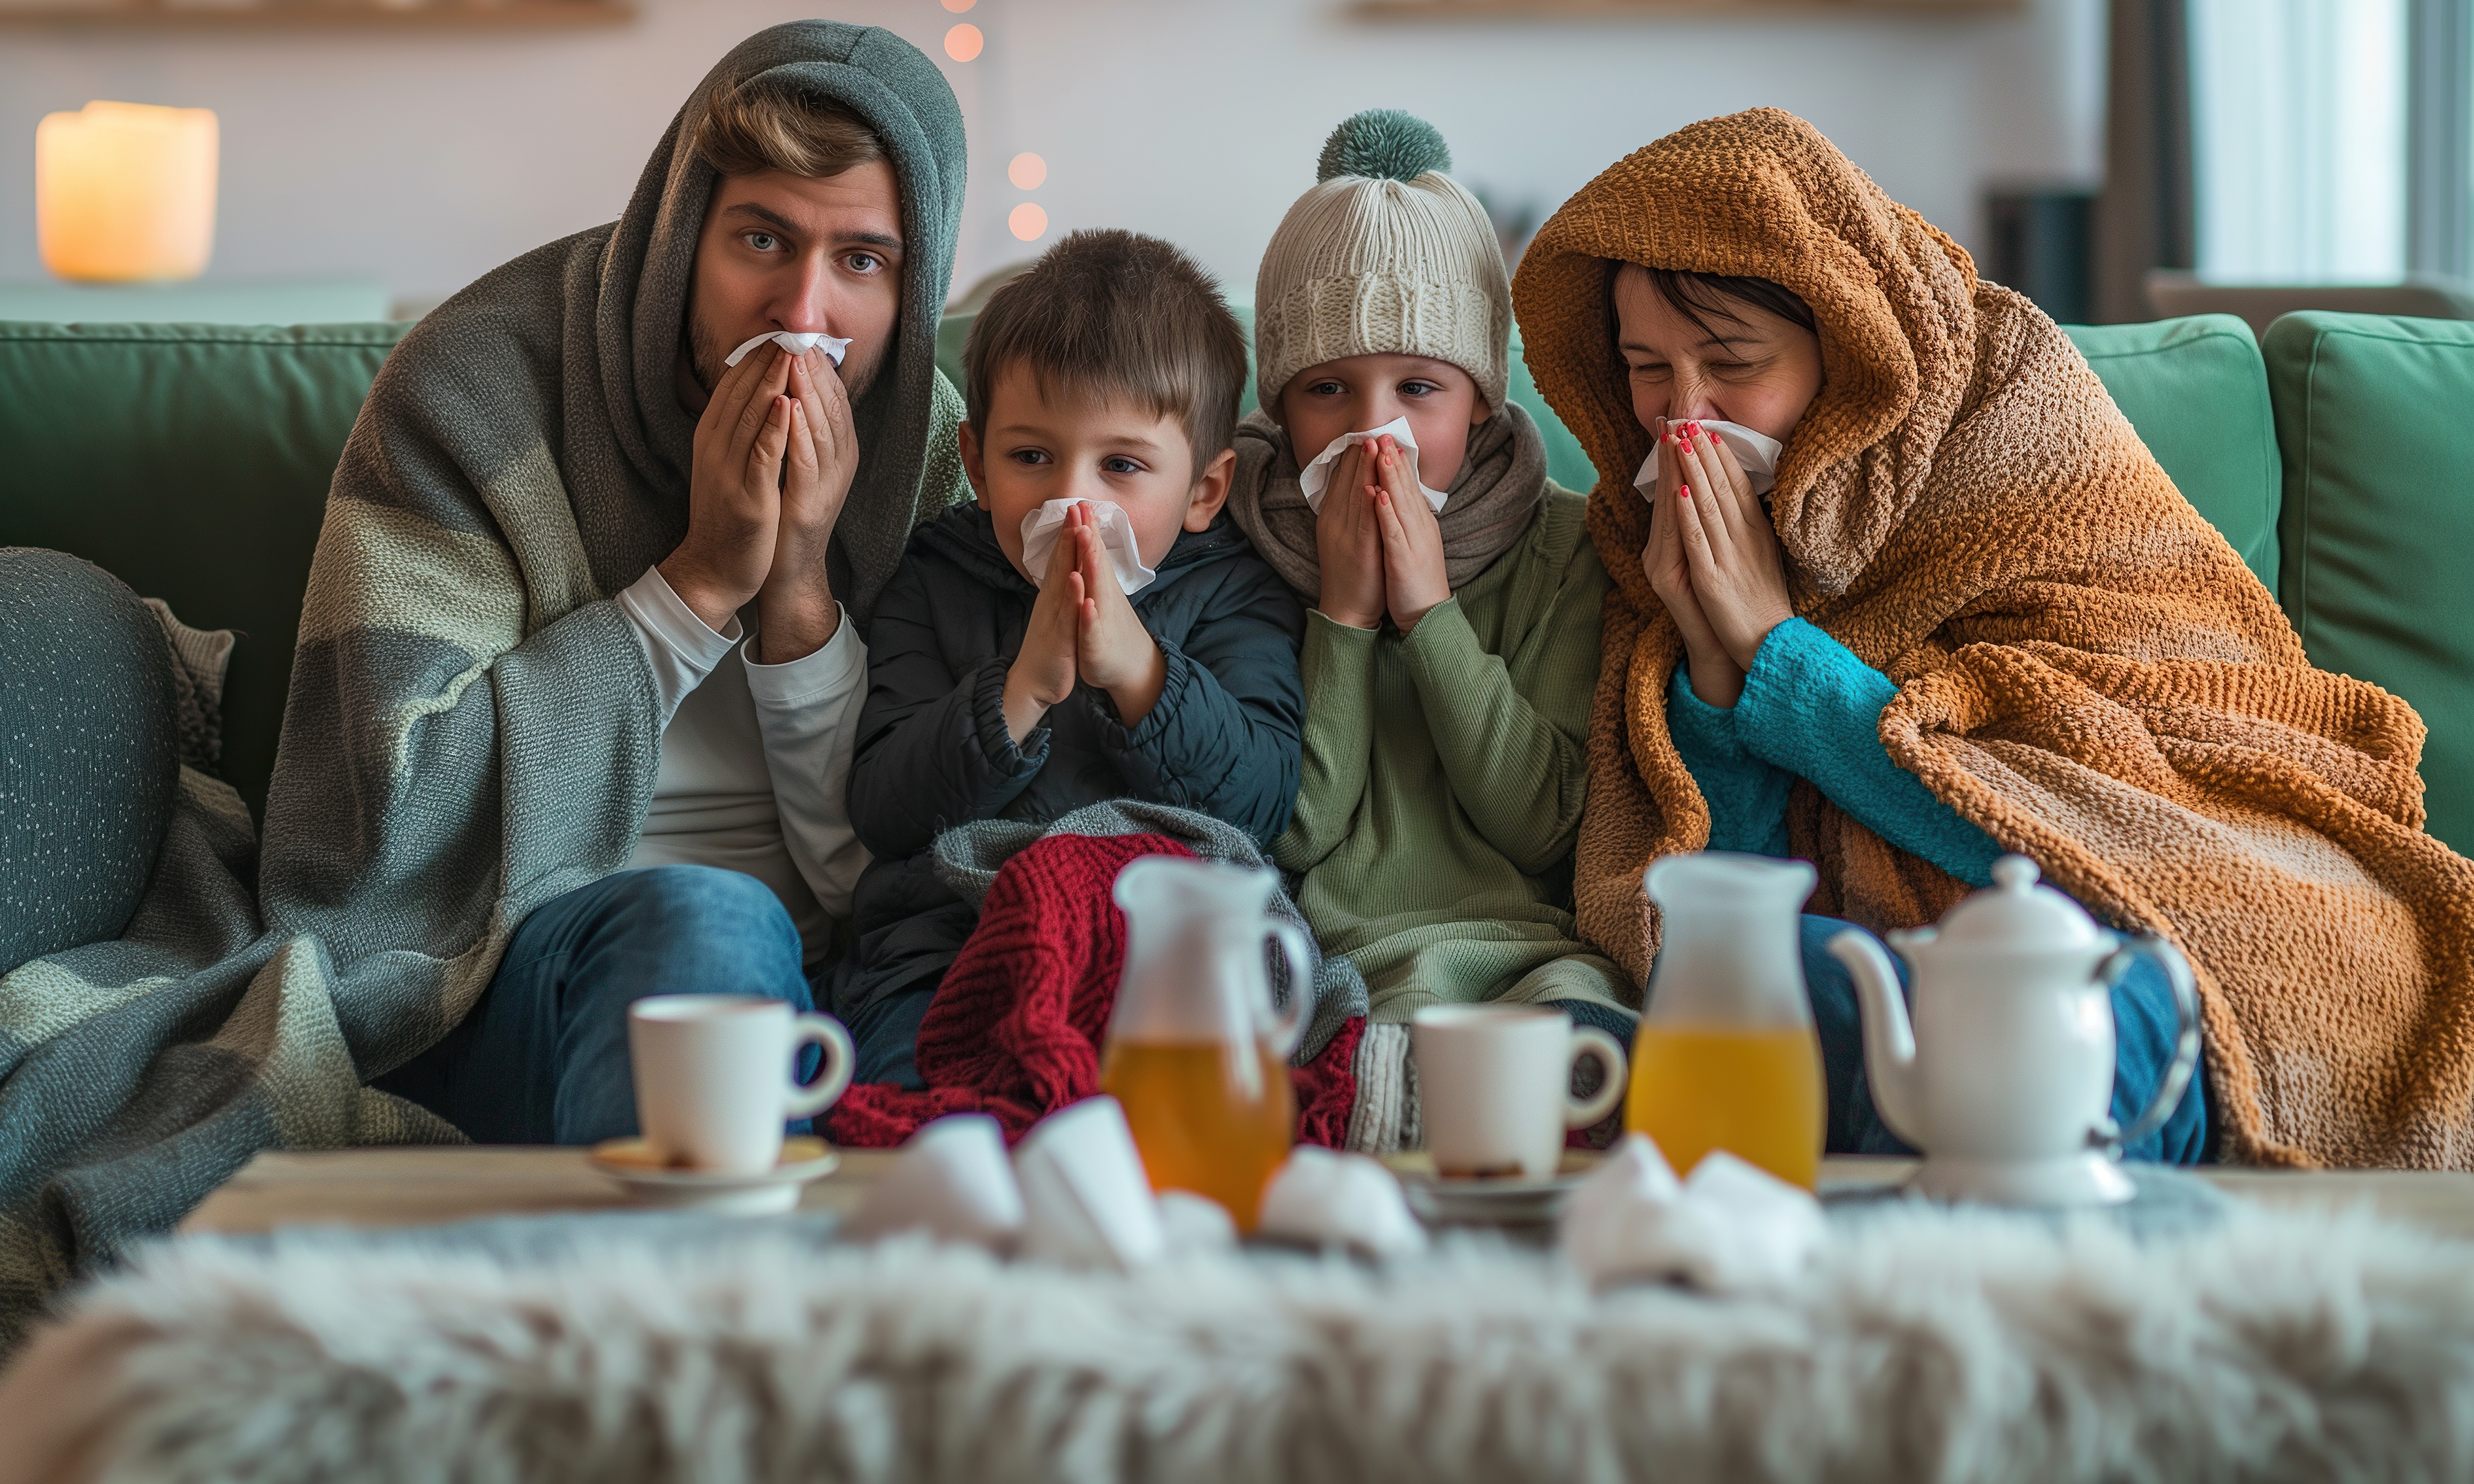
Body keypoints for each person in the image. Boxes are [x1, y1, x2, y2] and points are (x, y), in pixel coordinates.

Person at [1517, 105, 2474, 1169]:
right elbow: (1710, 894)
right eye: (1649, 368)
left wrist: (1780, 648)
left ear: (1849, 344)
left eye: (1731, 361)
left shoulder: (2006, 413)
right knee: (1753, 979)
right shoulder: (1642, 542)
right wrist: (1708, 655)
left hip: (2135, 931)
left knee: (2094, 1007)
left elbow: (2107, 827)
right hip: (1895, 968)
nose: (1683, 420)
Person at [264, 21, 974, 1146]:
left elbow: (923, 850)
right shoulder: (476, 393)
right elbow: (387, 822)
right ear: (684, 231)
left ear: (915, 281)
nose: (801, 315)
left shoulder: (941, 453)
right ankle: (667, 1311)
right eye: (760, 238)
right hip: (524, 968)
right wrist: (694, 582)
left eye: (861, 262)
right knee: (708, 922)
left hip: (848, 976)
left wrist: (797, 591)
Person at [835, 229, 1307, 1086]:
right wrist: (1018, 694)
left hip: (1161, 956)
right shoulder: (933, 578)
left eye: (1122, 464)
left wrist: (1141, 674)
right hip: (952, 947)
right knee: (913, 1110)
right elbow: (883, 809)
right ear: (976, 466)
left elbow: (1264, 802)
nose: (1072, 500)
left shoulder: (1239, 590)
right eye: (1032, 457)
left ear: (1204, 491)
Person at [1226, 110, 1630, 1058]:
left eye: (1418, 389)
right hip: (1330, 960)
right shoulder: (1234, 544)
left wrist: (1429, 610)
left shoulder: (1567, 545)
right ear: (1278, 408)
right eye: (1328, 389)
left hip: (1534, 958)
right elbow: (1288, 832)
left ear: (1484, 398)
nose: (1375, 433)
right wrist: (1345, 614)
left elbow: (1547, 823)